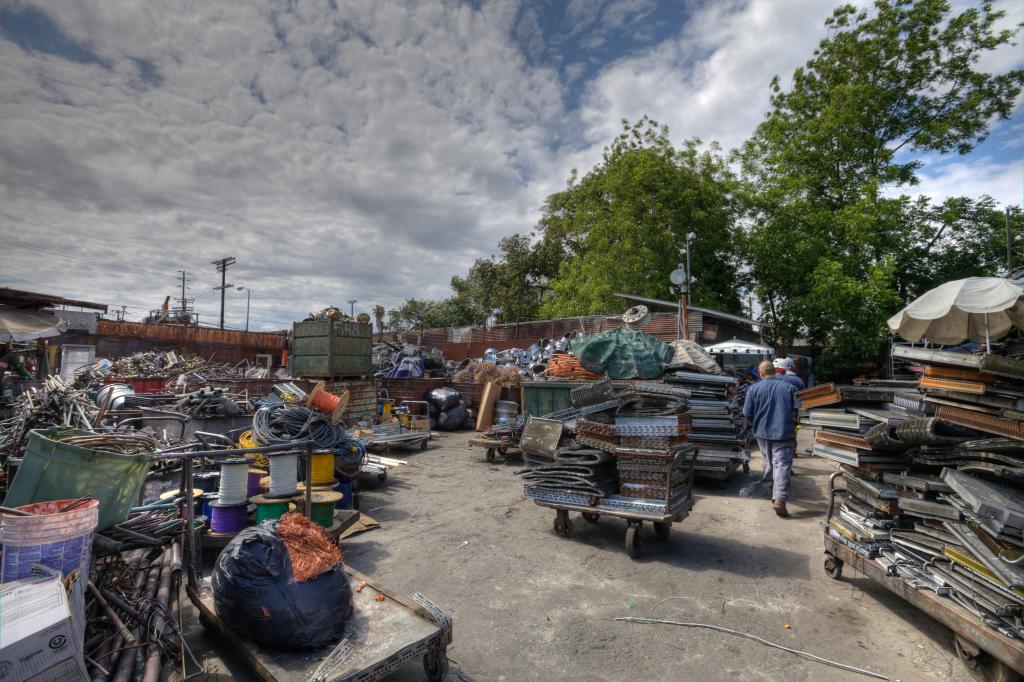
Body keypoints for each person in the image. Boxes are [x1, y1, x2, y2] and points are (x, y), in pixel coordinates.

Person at [743, 359, 798, 517]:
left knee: (768, 460)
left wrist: (757, 424)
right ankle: (779, 498)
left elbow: (747, 413)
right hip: (784, 432)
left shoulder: (753, 389)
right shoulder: (790, 388)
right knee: (781, 464)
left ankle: (769, 490)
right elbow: (799, 411)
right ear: (775, 371)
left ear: (761, 373)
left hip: (762, 432)